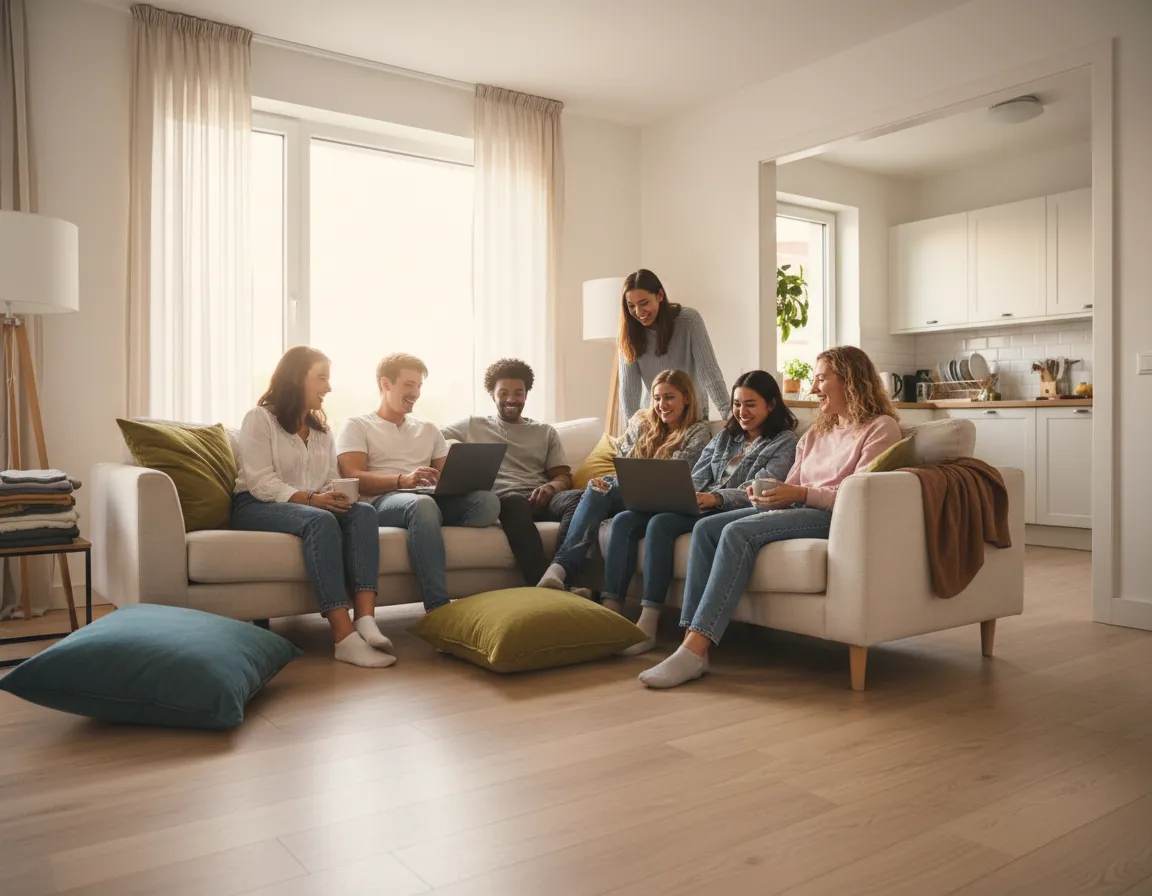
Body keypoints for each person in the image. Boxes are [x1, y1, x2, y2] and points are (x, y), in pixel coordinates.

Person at [639, 346, 902, 688]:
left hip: (831, 518)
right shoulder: (818, 432)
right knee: (705, 528)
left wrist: (799, 495)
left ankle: (694, 649)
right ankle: (693, 649)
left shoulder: (880, 429)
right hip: (798, 507)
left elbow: (859, 496)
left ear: (851, 380)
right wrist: (769, 495)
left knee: (737, 533)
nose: (813, 388)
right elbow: (790, 484)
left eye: (821, 378)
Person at [597, 369, 798, 654]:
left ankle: (649, 621)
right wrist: (678, 493)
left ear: (771, 404)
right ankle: (612, 613)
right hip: (697, 502)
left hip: (725, 508)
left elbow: (760, 490)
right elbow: (697, 475)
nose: (742, 412)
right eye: (737, 404)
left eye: (750, 404)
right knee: (624, 520)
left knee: (661, 524)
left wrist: (715, 498)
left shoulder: (784, 441)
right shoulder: (726, 437)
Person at [232, 346, 393, 668]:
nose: (329, 387)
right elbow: (261, 481)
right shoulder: (259, 418)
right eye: (321, 378)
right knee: (320, 521)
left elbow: (330, 479)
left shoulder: (322, 430)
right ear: (295, 378)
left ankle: (365, 618)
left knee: (363, 512)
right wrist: (312, 500)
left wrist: (336, 496)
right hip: (256, 503)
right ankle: (343, 637)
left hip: (310, 502)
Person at [336, 353, 500, 614]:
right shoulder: (358, 425)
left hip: (426, 500)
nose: (416, 393)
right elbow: (353, 476)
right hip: (381, 502)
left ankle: (426, 524)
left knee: (488, 502)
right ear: (386, 384)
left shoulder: (428, 429)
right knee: (422, 505)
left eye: (419, 386)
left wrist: (468, 477)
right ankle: (438, 609)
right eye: (409, 385)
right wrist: (402, 480)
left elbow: (448, 476)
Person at [537, 369, 712, 602]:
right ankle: (563, 574)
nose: (662, 405)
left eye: (669, 397)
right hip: (636, 496)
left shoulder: (697, 431)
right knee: (599, 487)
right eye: (657, 398)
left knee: (603, 486)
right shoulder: (645, 427)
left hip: (667, 499)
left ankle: (559, 569)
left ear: (686, 398)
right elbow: (623, 464)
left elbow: (678, 473)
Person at [441, 358, 573, 585]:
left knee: (579, 498)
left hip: (542, 497)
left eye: (518, 393)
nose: (511, 400)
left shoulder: (544, 432)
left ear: (526, 394)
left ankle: (562, 571)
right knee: (513, 501)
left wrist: (552, 487)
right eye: (503, 393)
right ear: (492, 394)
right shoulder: (473, 425)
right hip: (508, 502)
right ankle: (543, 584)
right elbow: (431, 438)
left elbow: (563, 476)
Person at [617, 269, 730, 423]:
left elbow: (710, 372)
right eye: (631, 306)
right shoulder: (629, 335)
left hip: (692, 415)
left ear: (660, 295)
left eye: (644, 303)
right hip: (656, 420)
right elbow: (629, 392)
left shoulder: (689, 321)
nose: (638, 312)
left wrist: (728, 415)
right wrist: (631, 432)